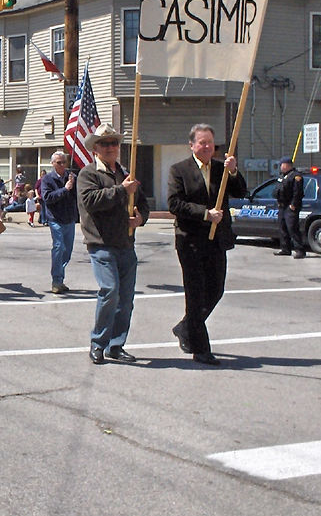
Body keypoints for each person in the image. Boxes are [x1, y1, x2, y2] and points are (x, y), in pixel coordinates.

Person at [168, 123, 248, 366]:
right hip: (190, 240)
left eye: (210, 143)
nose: (207, 147)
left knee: (215, 290)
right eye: (202, 143)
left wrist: (233, 172)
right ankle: (201, 349)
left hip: (217, 240)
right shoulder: (179, 170)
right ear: (192, 145)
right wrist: (205, 214)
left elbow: (241, 192)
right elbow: (174, 204)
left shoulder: (222, 168)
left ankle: (186, 327)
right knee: (195, 295)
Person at [77, 124, 150, 365]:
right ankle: (98, 343)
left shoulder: (126, 173)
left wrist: (140, 219)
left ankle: (116, 345)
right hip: (101, 243)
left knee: (126, 299)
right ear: (95, 148)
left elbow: (142, 204)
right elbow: (91, 201)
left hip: (126, 244)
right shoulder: (88, 174)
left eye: (114, 143)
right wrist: (121, 190)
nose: (110, 147)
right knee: (110, 291)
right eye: (104, 144)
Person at [42, 151, 80, 294]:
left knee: (67, 251)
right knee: (58, 246)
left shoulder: (72, 177)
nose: (62, 165)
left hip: (69, 218)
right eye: (59, 162)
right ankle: (56, 280)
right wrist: (65, 189)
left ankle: (60, 278)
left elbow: (78, 196)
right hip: (55, 219)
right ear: (52, 164)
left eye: (64, 162)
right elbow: (47, 198)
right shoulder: (47, 179)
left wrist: (73, 185)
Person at [273, 157, 306, 259]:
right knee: (282, 228)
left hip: (290, 207)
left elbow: (297, 193)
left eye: (282, 165)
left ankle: (300, 250)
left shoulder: (296, 176)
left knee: (292, 228)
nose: (281, 167)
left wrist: (293, 205)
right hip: (282, 206)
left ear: (287, 165)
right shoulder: (282, 176)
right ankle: (285, 249)